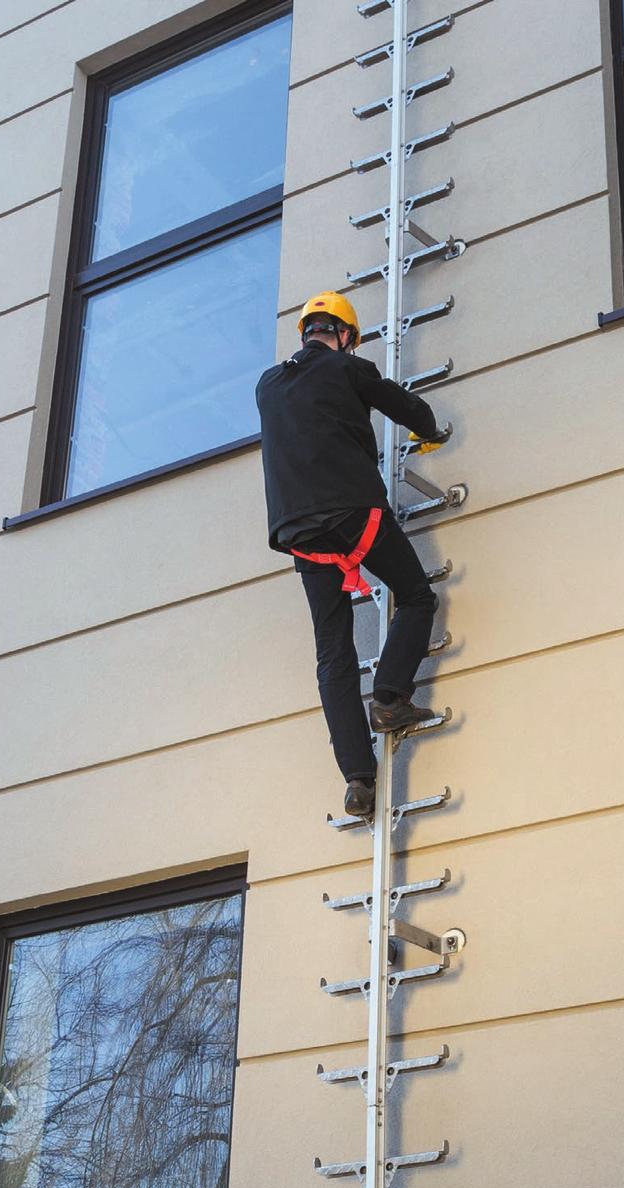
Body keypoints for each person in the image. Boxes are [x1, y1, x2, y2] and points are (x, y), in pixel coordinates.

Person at [256, 291, 450, 817]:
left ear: (305, 332)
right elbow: (406, 406)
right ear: (343, 335)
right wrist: (429, 432)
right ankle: (389, 699)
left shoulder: (267, 386)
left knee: (334, 655)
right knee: (415, 598)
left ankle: (358, 781)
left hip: (299, 534)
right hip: (353, 513)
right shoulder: (348, 368)